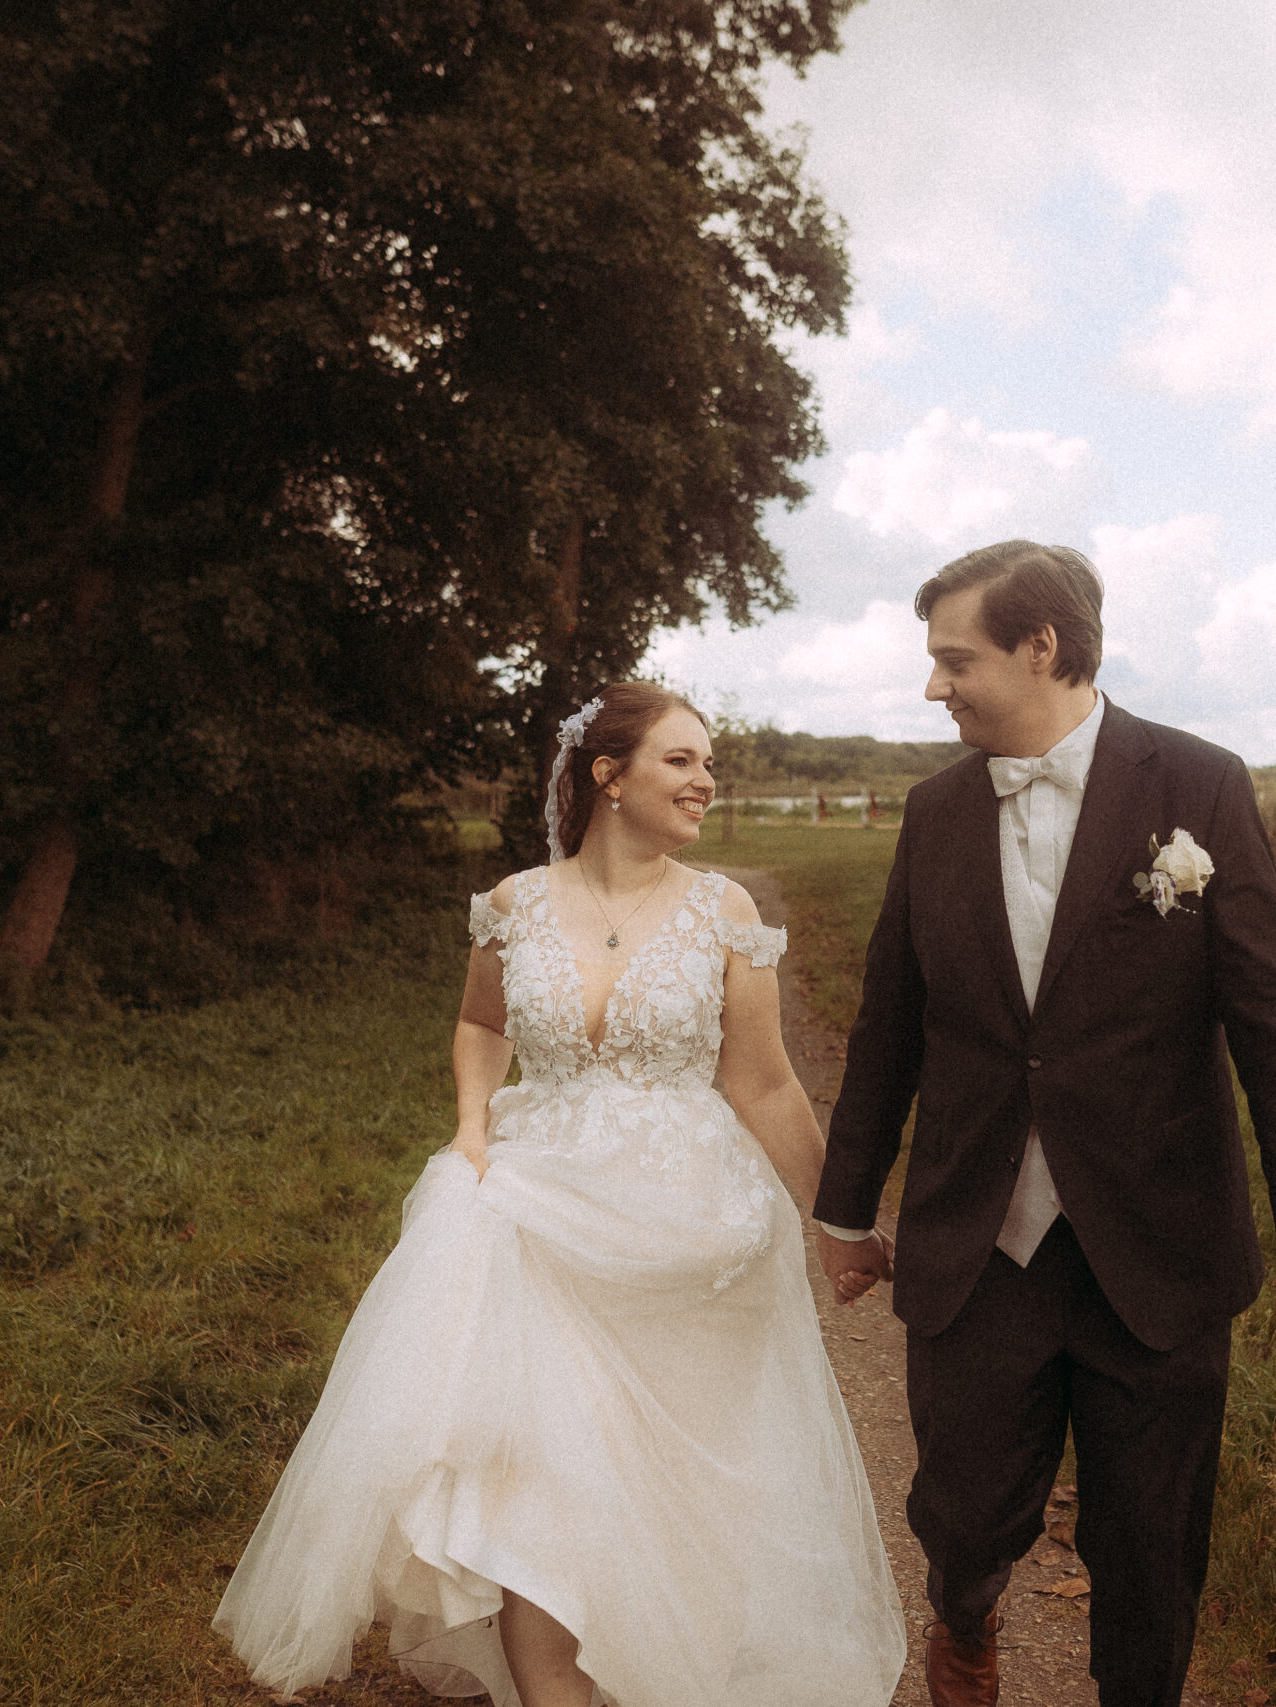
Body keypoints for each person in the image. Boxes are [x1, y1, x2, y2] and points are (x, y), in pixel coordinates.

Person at [215, 682, 903, 1706]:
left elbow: (761, 1080)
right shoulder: (515, 903)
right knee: (542, 1477)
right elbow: (482, 1024)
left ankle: (671, 1670)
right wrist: (470, 1126)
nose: (705, 781)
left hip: (689, 1234)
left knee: (677, 1485)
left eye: (709, 764)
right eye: (681, 760)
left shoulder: (724, 912)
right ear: (607, 776)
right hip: (537, 1213)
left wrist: (837, 1224)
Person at [812, 542, 1276, 1707]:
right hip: (979, 1245)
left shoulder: (1199, 787)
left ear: (1040, 646)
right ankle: (963, 1617)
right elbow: (888, 1026)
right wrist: (846, 1209)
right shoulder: (932, 813)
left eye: (953, 660)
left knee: (1151, 1556)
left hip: (1157, 1246)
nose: (934, 688)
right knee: (962, 1517)